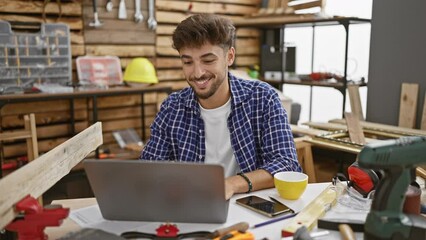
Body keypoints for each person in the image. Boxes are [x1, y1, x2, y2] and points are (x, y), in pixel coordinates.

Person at [140, 13, 301, 200]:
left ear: (229, 57)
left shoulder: (263, 98)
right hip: (189, 206)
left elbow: (286, 164)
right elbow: (148, 169)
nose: (197, 73)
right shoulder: (172, 107)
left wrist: (231, 184)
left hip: (249, 209)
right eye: (188, 62)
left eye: (208, 61)